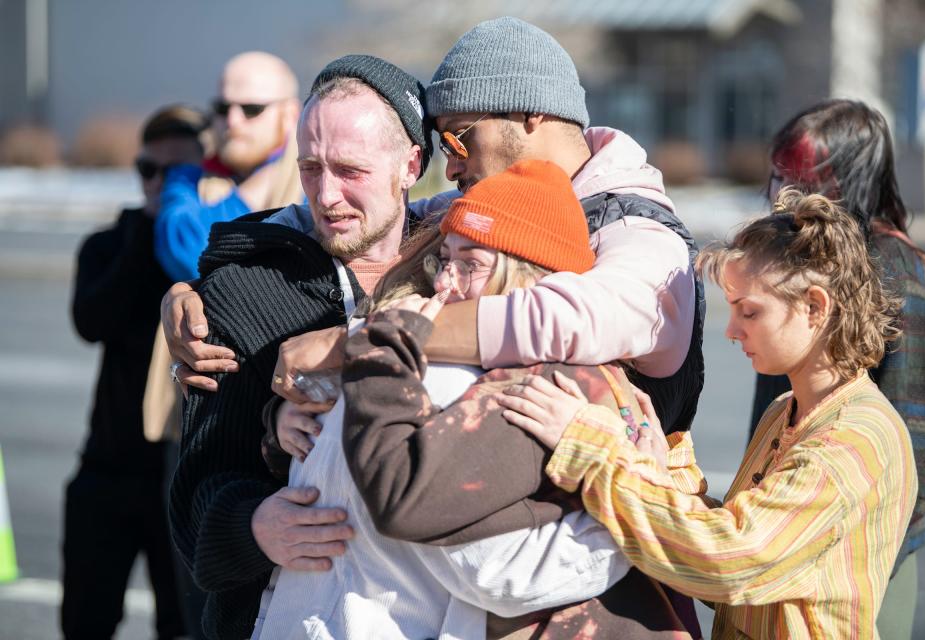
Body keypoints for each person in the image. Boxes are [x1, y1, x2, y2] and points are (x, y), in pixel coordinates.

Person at [164, 17, 704, 440]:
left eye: (460, 137)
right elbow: (361, 213)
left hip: (591, 564)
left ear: (530, 115)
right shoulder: (486, 201)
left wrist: (355, 344)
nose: (452, 166)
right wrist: (205, 287)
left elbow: (583, 316)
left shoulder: (641, 230)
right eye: (444, 146)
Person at [256, 159, 698, 639]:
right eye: (443, 259)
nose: (445, 282)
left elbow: (483, 565)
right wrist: (283, 422)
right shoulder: (437, 354)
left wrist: (624, 530)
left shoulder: (542, 387)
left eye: (471, 264)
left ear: (530, 278)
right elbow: (321, 467)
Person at [502, 190, 918, 639]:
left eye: (750, 312)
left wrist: (588, 449)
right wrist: (662, 469)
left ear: (815, 307)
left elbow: (730, 562)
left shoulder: (852, 439)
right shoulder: (788, 410)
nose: (731, 330)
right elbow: (733, 562)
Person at [167, 55, 433, 640]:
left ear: (410, 163)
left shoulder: (461, 271)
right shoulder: (242, 291)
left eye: (350, 170)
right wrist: (254, 525)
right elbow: (195, 499)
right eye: (310, 168)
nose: (327, 195)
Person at [749, 99, 925, 638]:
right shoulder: (797, 257)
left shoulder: (888, 266)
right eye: (776, 175)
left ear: (845, 183)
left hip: (861, 558)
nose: (778, 194)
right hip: (785, 534)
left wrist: (871, 534)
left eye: (798, 179)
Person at [64, 105, 204, 640]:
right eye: (149, 170)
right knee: (85, 618)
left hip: (179, 475)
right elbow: (90, 320)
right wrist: (143, 233)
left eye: (179, 173)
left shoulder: (204, 245)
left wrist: (179, 221)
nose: (161, 183)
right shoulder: (110, 243)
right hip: (107, 466)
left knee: (180, 624)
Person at [153, 51, 302, 282]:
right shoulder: (187, 179)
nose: (232, 121)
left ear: (290, 114)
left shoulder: (318, 183)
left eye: (251, 109)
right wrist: (259, 188)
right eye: (222, 108)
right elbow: (187, 253)